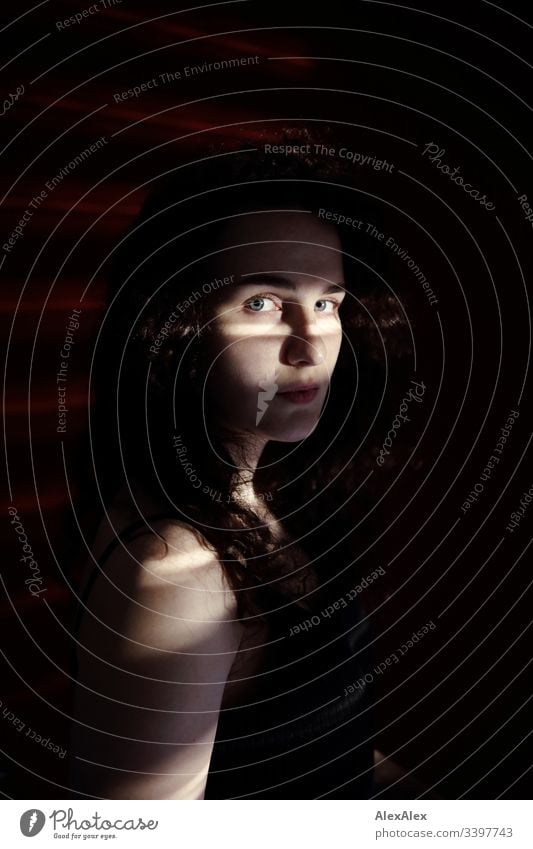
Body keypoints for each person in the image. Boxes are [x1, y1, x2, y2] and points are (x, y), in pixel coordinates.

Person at [67, 134, 415, 799]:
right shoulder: (177, 575)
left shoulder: (271, 496)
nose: (308, 342)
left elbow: (310, 743)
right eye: (262, 302)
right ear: (175, 325)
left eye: (326, 302)